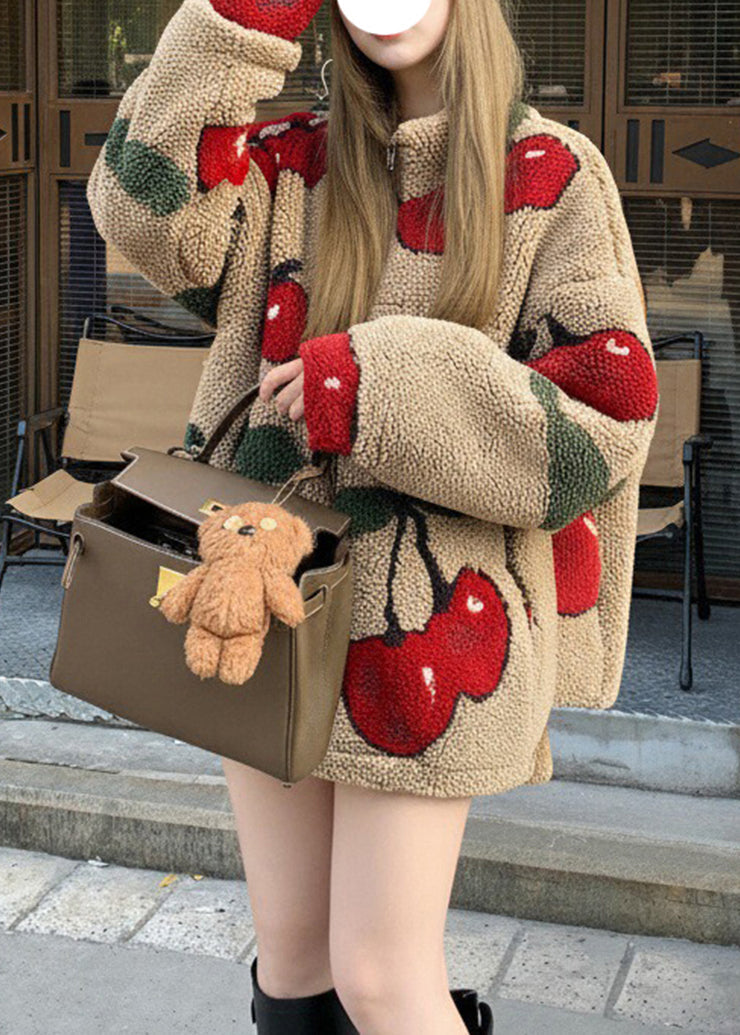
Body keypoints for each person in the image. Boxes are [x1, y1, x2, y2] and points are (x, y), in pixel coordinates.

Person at [86, 0, 659, 1031]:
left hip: (431, 619)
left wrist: (375, 382)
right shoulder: (281, 162)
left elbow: (600, 423)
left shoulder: (551, 173)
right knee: (294, 966)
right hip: (264, 600)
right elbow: (147, 223)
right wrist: (227, 28)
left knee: (384, 979)